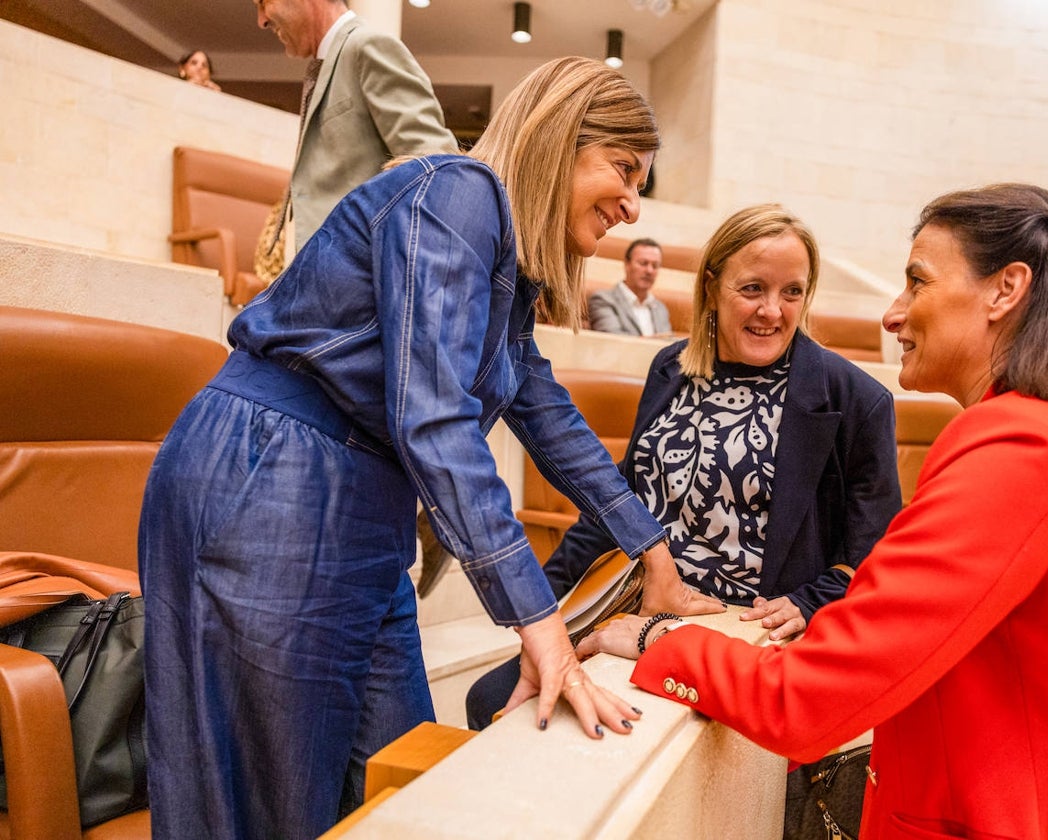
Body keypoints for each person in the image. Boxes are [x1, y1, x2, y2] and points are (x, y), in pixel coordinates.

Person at [139, 56, 720, 840]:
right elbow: (434, 416)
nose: (631, 203)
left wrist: (652, 553)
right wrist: (538, 623)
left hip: (361, 509)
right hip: (274, 479)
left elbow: (548, 416)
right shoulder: (457, 194)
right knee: (277, 800)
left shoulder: (508, 270)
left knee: (403, 776)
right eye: (622, 169)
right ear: (560, 138)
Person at [580, 183, 1048, 839]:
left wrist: (658, 642)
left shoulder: (1019, 447)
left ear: (1005, 289)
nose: (892, 315)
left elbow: (808, 700)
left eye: (917, 282)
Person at [467, 204, 902, 834]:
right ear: (712, 287)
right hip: (634, 600)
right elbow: (621, 503)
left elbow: (876, 553)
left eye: (792, 293)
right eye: (752, 288)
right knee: (492, 700)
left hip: (735, 627)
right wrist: (548, 599)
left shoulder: (856, 400)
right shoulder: (671, 367)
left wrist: (811, 598)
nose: (772, 311)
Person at [254, 0, 459, 256]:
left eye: (263, 2)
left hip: (365, 277)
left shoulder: (368, 45)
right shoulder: (331, 62)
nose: (261, 20)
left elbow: (437, 170)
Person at [588, 237, 673, 335]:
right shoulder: (603, 300)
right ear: (627, 264)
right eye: (643, 263)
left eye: (655, 266)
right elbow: (613, 341)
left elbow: (669, 344)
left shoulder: (660, 308)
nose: (649, 271)